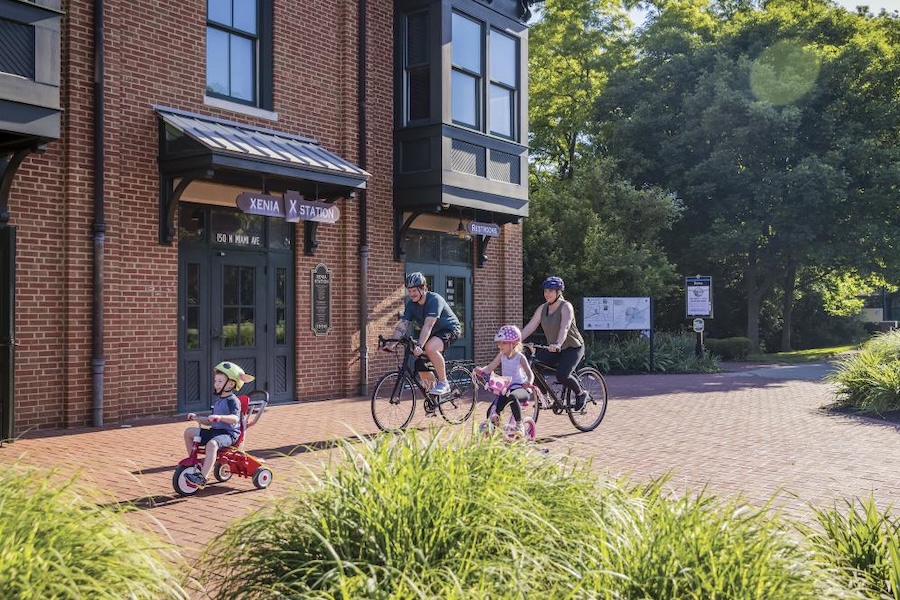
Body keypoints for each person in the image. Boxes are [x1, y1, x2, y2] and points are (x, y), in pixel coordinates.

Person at [520, 276, 590, 411]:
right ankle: (545, 396)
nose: (547, 294)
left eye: (551, 291)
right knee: (533, 368)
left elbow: (565, 327)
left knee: (562, 375)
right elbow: (530, 327)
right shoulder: (543, 308)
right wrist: (515, 340)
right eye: (546, 291)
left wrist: (558, 343)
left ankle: (581, 394)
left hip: (572, 347)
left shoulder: (566, 307)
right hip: (554, 348)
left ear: (559, 292)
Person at [389, 272, 461, 397]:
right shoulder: (411, 305)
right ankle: (432, 398)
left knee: (430, 348)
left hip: (450, 330)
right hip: (433, 334)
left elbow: (428, 325)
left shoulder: (434, 300)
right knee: (420, 364)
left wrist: (420, 345)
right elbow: (403, 325)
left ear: (423, 288)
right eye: (409, 291)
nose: (411, 294)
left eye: (414, 291)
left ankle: (444, 383)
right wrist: (392, 342)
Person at [183, 361, 255, 487]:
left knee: (212, 444)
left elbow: (235, 419)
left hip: (229, 435)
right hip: (215, 432)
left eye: (220, 381)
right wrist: (197, 418)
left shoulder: (233, 400)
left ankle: (202, 478)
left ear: (231, 383)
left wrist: (220, 417)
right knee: (189, 432)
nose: (216, 384)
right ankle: (196, 464)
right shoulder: (218, 401)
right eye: (216, 381)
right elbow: (210, 421)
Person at [474, 325, 534, 437]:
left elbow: (530, 374)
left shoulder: (519, 357)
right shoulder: (502, 355)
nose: (500, 345)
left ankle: (519, 424)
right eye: (499, 343)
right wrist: (481, 371)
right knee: (493, 408)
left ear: (514, 343)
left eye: (504, 343)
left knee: (512, 397)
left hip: (521, 388)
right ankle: (492, 427)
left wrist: (529, 382)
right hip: (506, 389)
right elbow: (490, 367)